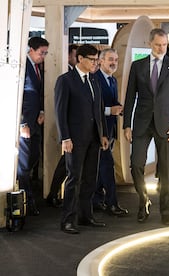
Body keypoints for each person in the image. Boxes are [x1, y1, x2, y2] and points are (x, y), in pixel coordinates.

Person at [123, 28, 169, 225]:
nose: (161, 48)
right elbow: (130, 96)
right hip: (141, 123)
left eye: (164, 45)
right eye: (158, 44)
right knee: (136, 164)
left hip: (167, 126)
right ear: (150, 43)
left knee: (167, 170)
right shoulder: (137, 66)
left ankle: (166, 210)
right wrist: (126, 124)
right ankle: (144, 201)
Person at [55, 44, 109, 234]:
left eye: (97, 60)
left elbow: (99, 109)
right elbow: (60, 112)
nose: (95, 63)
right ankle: (68, 220)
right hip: (75, 139)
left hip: (94, 137)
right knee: (73, 179)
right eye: (92, 60)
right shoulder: (66, 80)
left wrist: (103, 134)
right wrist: (65, 138)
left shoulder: (94, 80)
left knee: (89, 179)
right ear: (80, 59)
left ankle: (86, 216)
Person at [92, 48, 128, 216]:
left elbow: (112, 103)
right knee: (107, 167)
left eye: (116, 60)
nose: (114, 63)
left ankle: (97, 200)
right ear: (101, 61)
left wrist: (119, 108)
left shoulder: (112, 80)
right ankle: (112, 203)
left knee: (101, 168)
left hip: (110, 130)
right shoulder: (94, 79)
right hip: (99, 132)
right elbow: (91, 107)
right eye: (110, 60)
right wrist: (109, 111)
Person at [17, 36, 49, 216]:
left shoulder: (37, 67)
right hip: (25, 123)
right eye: (41, 53)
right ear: (31, 49)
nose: (43, 56)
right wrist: (22, 123)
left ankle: (27, 194)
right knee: (24, 163)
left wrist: (43, 111)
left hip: (36, 120)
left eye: (45, 53)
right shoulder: (23, 66)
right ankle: (26, 202)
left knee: (34, 156)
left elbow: (39, 92)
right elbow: (19, 96)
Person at [46, 44, 79, 208]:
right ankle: (53, 194)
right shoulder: (66, 78)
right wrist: (65, 136)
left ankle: (53, 194)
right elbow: (61, 108)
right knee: (65, 167)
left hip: (76, 133)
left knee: (65, 166)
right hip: (70, 132)